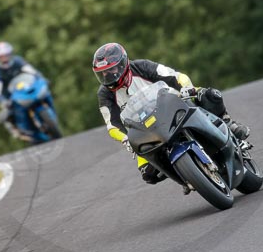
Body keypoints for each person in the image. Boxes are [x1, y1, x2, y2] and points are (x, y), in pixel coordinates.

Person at [92, 42, 250, 191]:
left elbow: (175, 76)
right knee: (149, 173)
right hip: (144, 129)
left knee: (210, 95)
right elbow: (112, 125)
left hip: (173, 105)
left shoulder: (141, 67)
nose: (107, 76)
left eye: (110, 70)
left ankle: (229, 124)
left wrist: (187, 88)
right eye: (102, 74)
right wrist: (125, 138)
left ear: (122, 64)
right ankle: (186, 176)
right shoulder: (105, 94)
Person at [0, 41, 45, 141]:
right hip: (10, 98)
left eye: (6, 55)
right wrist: (3, 101)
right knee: (5, 115)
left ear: (10, 54)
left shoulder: (18, 61)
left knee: (43, 94)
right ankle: (18, 130)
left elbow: (31, 71)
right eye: (2, 56)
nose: (4, 58)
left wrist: (40, 78)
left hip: (26, 90)